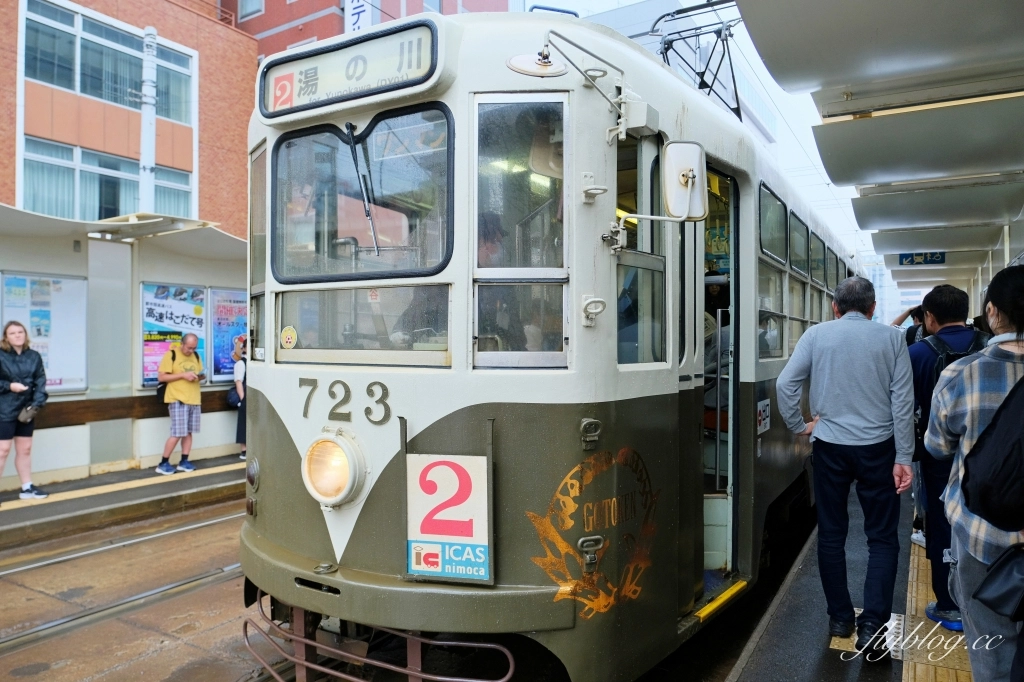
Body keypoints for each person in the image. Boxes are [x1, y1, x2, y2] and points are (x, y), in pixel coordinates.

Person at [776, 276, 914, 653]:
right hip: (879, 448)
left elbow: (786, 384)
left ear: (835, 308)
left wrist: (798, 426)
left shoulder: (817, 336)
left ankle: (840, 616)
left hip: (831, 447)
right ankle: (873, 627)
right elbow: (902, 403)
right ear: (872, 310)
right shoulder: (892, 339)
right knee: (883, 538)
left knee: (832, 534)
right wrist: (904, 457)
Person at [925, 265, 1024, 682]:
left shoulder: (960, 373)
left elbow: (937, 446)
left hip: (984, 534)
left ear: (993, 313)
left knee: (992, 645)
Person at [908, 285, 989, 632]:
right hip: (990, 456)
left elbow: (905, 408)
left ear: (929, 317)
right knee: (987, 518)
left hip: (937, 455)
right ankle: (989, 597)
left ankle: (948, 603)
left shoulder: (917, 353)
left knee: (941, 522)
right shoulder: (990, 346)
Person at [0, 321, 49, 500]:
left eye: (20, 332)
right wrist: (9, 386)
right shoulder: (1, 355)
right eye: (12, 333)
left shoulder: (34, 356)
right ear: (6, 337)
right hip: (4, 409)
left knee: (25, 448)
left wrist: (36, 403)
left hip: (26, 409)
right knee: (2, 450)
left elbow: (41, 381)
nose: (17, 335)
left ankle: (27, 488)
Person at [156, 333, 204, 475]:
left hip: (194, 398)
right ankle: (163, 463)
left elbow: (198, 372)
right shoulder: (171, 355)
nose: (191, 351)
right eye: (189, 348)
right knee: (177, 432)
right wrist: (183, 375)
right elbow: (162, 376)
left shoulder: (196, 356)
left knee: (188, 432)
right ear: (182, 344)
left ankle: (184, 461)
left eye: (194, 348)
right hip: (177, 398)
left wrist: (198, 377)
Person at [477, 212, 526, 352]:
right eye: (494, 242)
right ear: (479, 245)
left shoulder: (504, 286)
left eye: (500, 242)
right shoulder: (450, 288)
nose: (500, 247)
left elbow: (516, 334)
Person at [233, 337, 247, 461]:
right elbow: (239, 382)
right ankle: (244, 450)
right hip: (245, 397)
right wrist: (243, 399)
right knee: (243, 423)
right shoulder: (241, 363)